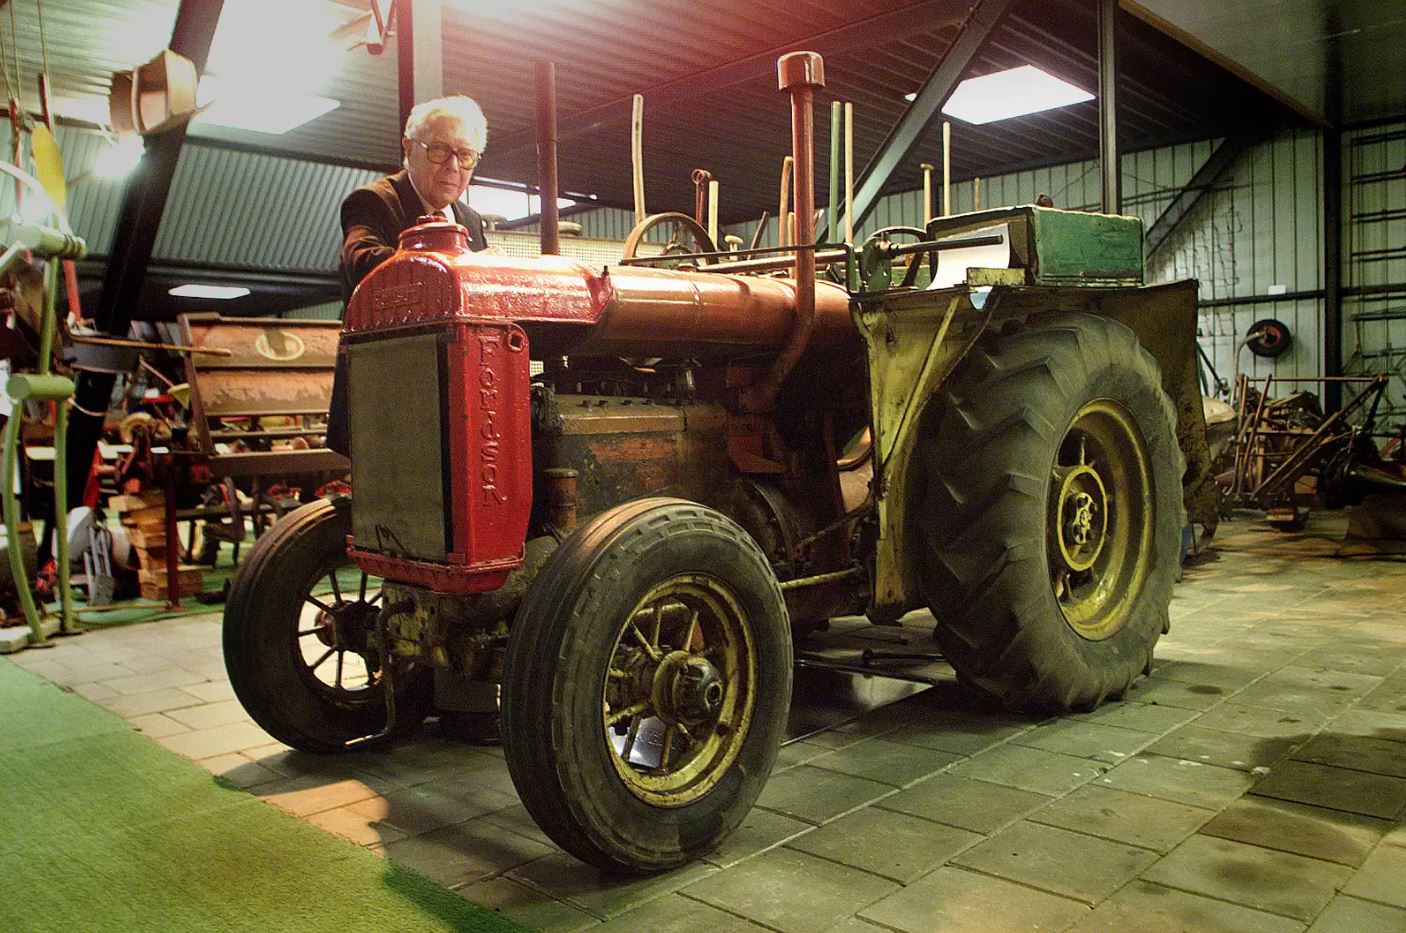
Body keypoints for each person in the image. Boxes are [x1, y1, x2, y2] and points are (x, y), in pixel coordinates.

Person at [327, 94, 491, 456]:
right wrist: (445, 268)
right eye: (439, 150)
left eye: (465, 155)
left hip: (449, 393)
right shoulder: (373, 202)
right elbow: (362, 261)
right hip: (385, 393)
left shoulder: (470, 220)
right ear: (409, 148)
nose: (453, 166)